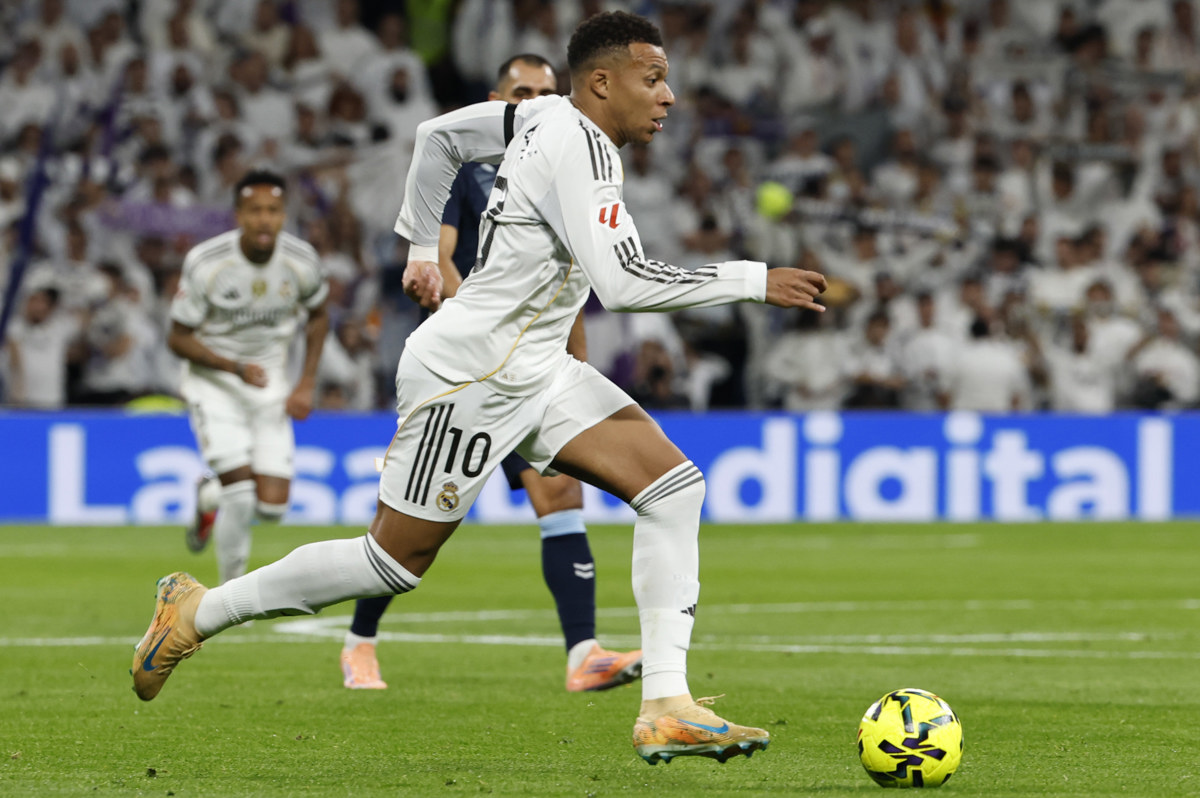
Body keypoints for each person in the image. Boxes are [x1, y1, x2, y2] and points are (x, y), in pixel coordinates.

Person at [132, 12, 827, 766]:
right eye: (652, 78)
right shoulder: (580, 146)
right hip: (471, 374)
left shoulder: (535, 113)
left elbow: (439, 138)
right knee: (392, 563)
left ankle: (665, 704)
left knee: (672, 489)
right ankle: (199, 610)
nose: (668, 97)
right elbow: (622, 283)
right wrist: (753, 279)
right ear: (602, 81)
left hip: (533, 365)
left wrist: (420, 246)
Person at [340, 53, 643, 695]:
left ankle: (583, 652)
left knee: (561, 497)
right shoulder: (469, 168)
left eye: (546, 91)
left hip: (535, 369)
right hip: (471, 368)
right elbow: (442, 258)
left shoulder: (569, 169)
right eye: (524, 91)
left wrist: (571, 364)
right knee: (409, 537)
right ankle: (360, 639)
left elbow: (572, 283)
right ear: (498, 99)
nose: (538, 99)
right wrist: (475, 326)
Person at [168, 169, 329, 585]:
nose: (264, 219)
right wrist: (234, 368)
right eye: (254, 210)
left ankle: (209, 494)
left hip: (269, 386)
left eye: (273, 211)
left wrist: (306, 382)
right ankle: (226, 595)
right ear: (238, 214)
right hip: (214, 383)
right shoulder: (207, 263)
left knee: (272, 508)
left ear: (283, 215)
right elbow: (178, 338)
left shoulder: (301, 261)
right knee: (240, 493)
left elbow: (319, 316)